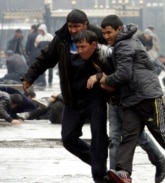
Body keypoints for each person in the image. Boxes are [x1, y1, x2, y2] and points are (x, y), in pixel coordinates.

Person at [99, 15, 165, 183]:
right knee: (128, 136)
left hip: (148, 96)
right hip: (131, 99)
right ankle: (123, 173)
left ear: (118, 30)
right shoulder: (123, 43)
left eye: (109, 32)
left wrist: (104, 79)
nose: (106, 36)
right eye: (103, 33)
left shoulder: (124, 45)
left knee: (161, 133)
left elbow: (124, 74)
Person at [21, 9, 108, 183]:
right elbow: (45, 59)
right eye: (71, 27)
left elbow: (116, 59)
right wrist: (29, 77)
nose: (74, 30)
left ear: (86, 25)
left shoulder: (99, 36)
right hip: (71, 97)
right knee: (68, 139)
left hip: (95, 96)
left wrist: (103, 77)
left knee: (99, 135)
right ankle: (98, 165)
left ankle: (100, 177)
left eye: (77, 27)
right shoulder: (61, 39)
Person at [74, 30, 165, 183]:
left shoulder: (109, 54)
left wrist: (101, 79)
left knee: (137, 137)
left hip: (129, 100)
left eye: (82, 47)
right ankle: (115, 175)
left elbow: (124, 75)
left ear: (93, 44)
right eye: (77, 47)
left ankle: (158, 160)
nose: (80, 51)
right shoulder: (85, 60)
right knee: (117, 138)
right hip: (114, 100)